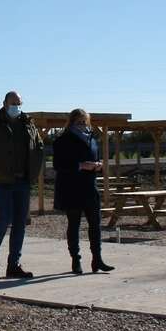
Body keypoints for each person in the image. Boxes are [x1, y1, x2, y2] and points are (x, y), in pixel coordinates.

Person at [0, 91, 43, 279]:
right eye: (13, 103)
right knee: (4, 219)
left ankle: (14, 264)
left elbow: (38, 146)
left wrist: (34, 170)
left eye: (19, 103)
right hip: (2, 181)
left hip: (23, 180)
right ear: (4, 103)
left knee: (20, 222)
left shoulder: (28, 123)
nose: (16, 107)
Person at [53, 109, 115, 274]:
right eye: (79, 122)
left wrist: (98, 165)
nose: (82, 125)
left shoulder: (91, 138)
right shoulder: (63, 140)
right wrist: (80, 165)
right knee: (74, 224)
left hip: (89, 186)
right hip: (71, 188)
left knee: (95, 224)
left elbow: (95, 158)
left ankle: (97, 259)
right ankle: (76, 260)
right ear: (71, 122)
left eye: (84, 122)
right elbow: (58, 165)